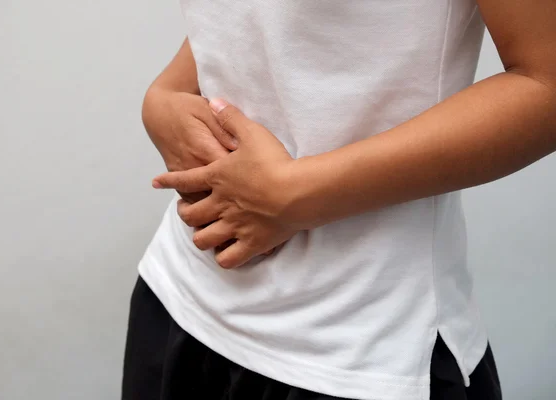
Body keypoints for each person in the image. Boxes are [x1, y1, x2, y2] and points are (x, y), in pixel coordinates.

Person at [122, 1, 556, 399]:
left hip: (356, 348)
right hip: (177, 299)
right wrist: (163, 99)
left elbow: (546, 84)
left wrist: (290, 195)